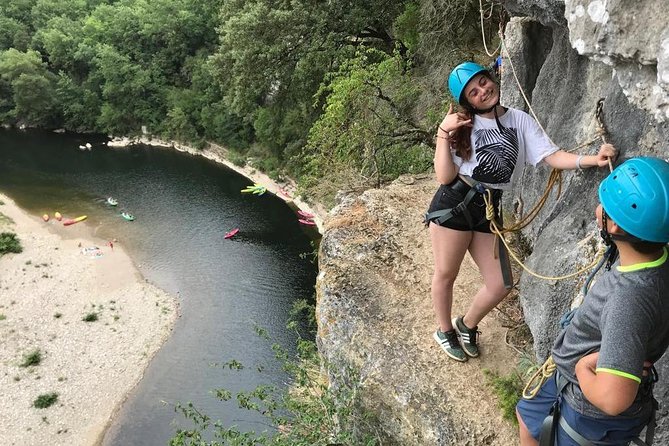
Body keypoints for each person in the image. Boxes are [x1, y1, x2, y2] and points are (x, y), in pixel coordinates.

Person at [426, 61, 617, 362]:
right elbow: (444, 176)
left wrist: (593, 160)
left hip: (488, 206)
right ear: (467, 102)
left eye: (483, 82)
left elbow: (551, 156)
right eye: (473, 92)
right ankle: (444, 330)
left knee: (501, 283)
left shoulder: (519, 120)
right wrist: (442, 133)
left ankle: (466, 324)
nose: (482, 91)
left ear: (492, 78)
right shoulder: (460, 125)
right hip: (455, 202)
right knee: (447, 272)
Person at [516, 157, 669, 445]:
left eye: (605, 207)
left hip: (587, 405)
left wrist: (581, 368)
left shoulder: (628, 300)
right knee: (527, 418)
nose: (598, 209)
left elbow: (613, 399)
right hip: (571, 381)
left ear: (615, 228)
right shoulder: (653, 261)